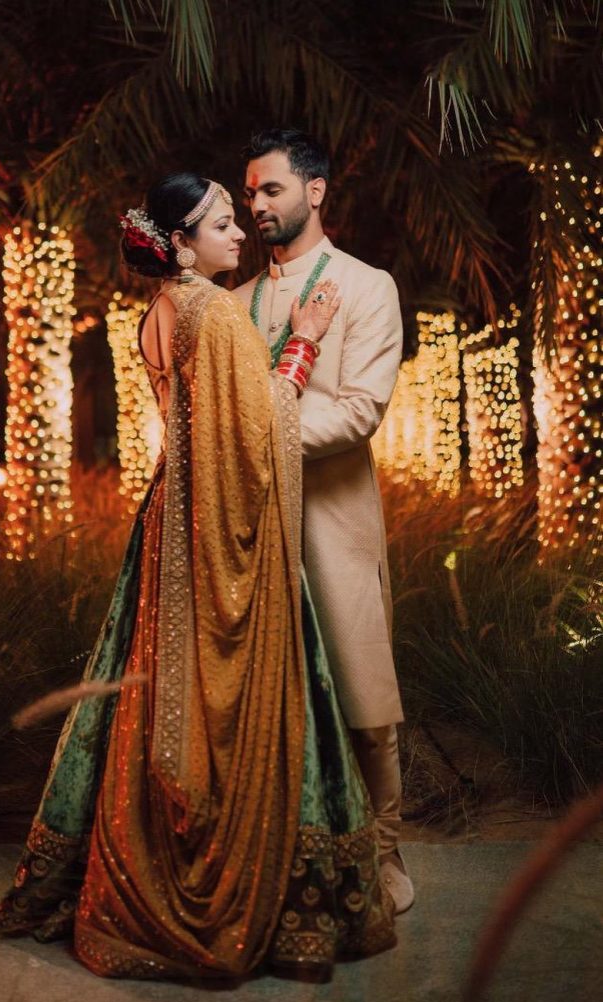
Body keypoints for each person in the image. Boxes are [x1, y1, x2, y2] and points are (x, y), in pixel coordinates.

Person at [0, 172, 396, 978]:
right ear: (180, 242)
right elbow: (258, 429)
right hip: (215, 533)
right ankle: (215, 878)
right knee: (225, 702)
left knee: (150, 688)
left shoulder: (160, 311)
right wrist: (307, 337)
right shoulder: (212, 311)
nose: (237, 232)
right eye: (218, 223)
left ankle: (132, 857)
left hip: (168, 521)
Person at [234, 128, 414, 913]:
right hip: (244, 527)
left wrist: (246, 433)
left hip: (331, 522)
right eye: (247, 194)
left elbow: (358, 413)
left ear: (314, 191)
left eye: (269, 189)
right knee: (262, 700)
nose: (255, 205)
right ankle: (279, 860)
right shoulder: (233, 303)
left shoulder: (367, 286)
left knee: (359, 695)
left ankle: (384, 856)